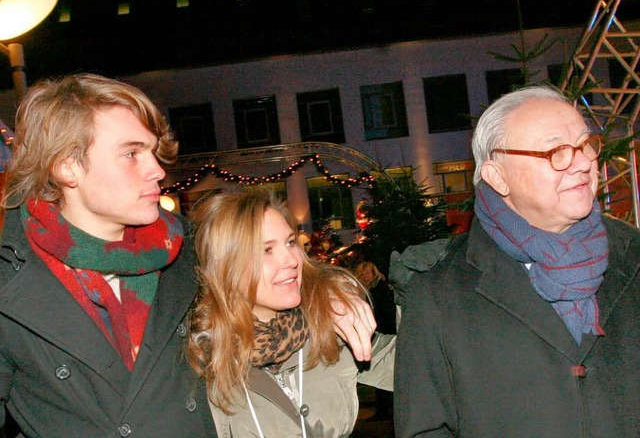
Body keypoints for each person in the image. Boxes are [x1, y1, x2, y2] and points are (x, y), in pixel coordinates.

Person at [0, 72, 377, 437]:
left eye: (152, 152)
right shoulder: (11, 278)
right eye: (131, 153)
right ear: (67, 166)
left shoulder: (190, 250)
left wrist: (325, 289)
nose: (157, 170)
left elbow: (273, 271)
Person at [391, 84, 640, 437]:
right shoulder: (438, 294)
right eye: (557, 151)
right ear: (497, 176)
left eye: (585, 145)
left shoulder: (634, 257)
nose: (584, 162)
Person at [186, 187, 396, 438]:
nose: (291, 260)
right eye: (266, 250)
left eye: (289, 242)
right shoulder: (199, 356)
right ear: (225, 266)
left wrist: (429, 280)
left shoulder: (329, 327)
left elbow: (426, 363)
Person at [354, 261, 396, 422]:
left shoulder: (380, 289)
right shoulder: (368, 290)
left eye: (367, 273)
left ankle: (386, 409)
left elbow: (385, 313)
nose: (365, 276)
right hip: (378, 334)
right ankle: (384, 409)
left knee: (383, 371)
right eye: (362, 273)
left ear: (374, 273)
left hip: (384, 335)